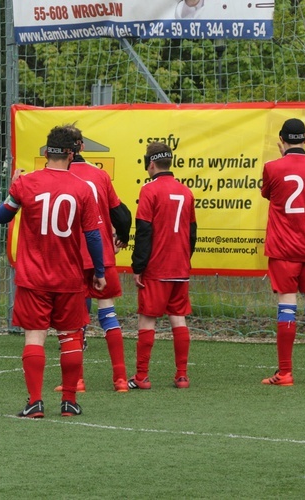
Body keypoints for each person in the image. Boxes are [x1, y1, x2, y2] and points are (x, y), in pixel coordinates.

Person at [0, 125, 106, 418]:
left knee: (35, 336)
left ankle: (35, 403)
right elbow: (94, 236)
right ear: (72, 153)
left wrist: (12, 186)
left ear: (47, 152)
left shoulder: (26, 183)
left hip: (33, 276)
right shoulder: (82, 188)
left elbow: (1, 216)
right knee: (70, 335)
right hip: (69, 276)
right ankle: (69, 401)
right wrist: (99, 270)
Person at [54, 124, 132, 393]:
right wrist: (123, 237)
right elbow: (121, 212)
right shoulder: (100, 175)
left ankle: (77, 381)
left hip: (72, 257)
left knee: (75, 321)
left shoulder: (58, 176)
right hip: (101, 255)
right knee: (108, 313)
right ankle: (120, 379)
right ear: (82, 147)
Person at [260, 118, 305, 386]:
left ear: (282, 140)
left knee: (287, 308)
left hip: (283, 250)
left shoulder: (272, 168)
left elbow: (268, 195)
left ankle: (285, 373)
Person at [129, 141, 197, 390]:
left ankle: (141, 376)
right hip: (180, 267)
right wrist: (184, 260)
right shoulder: (186, 191)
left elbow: (144, 232)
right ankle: (182, 376)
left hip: (157, 268)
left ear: (151, 163)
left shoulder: (149, 190)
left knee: (147, 320)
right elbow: (192, 234)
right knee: (178, 318)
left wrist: (138, 266)